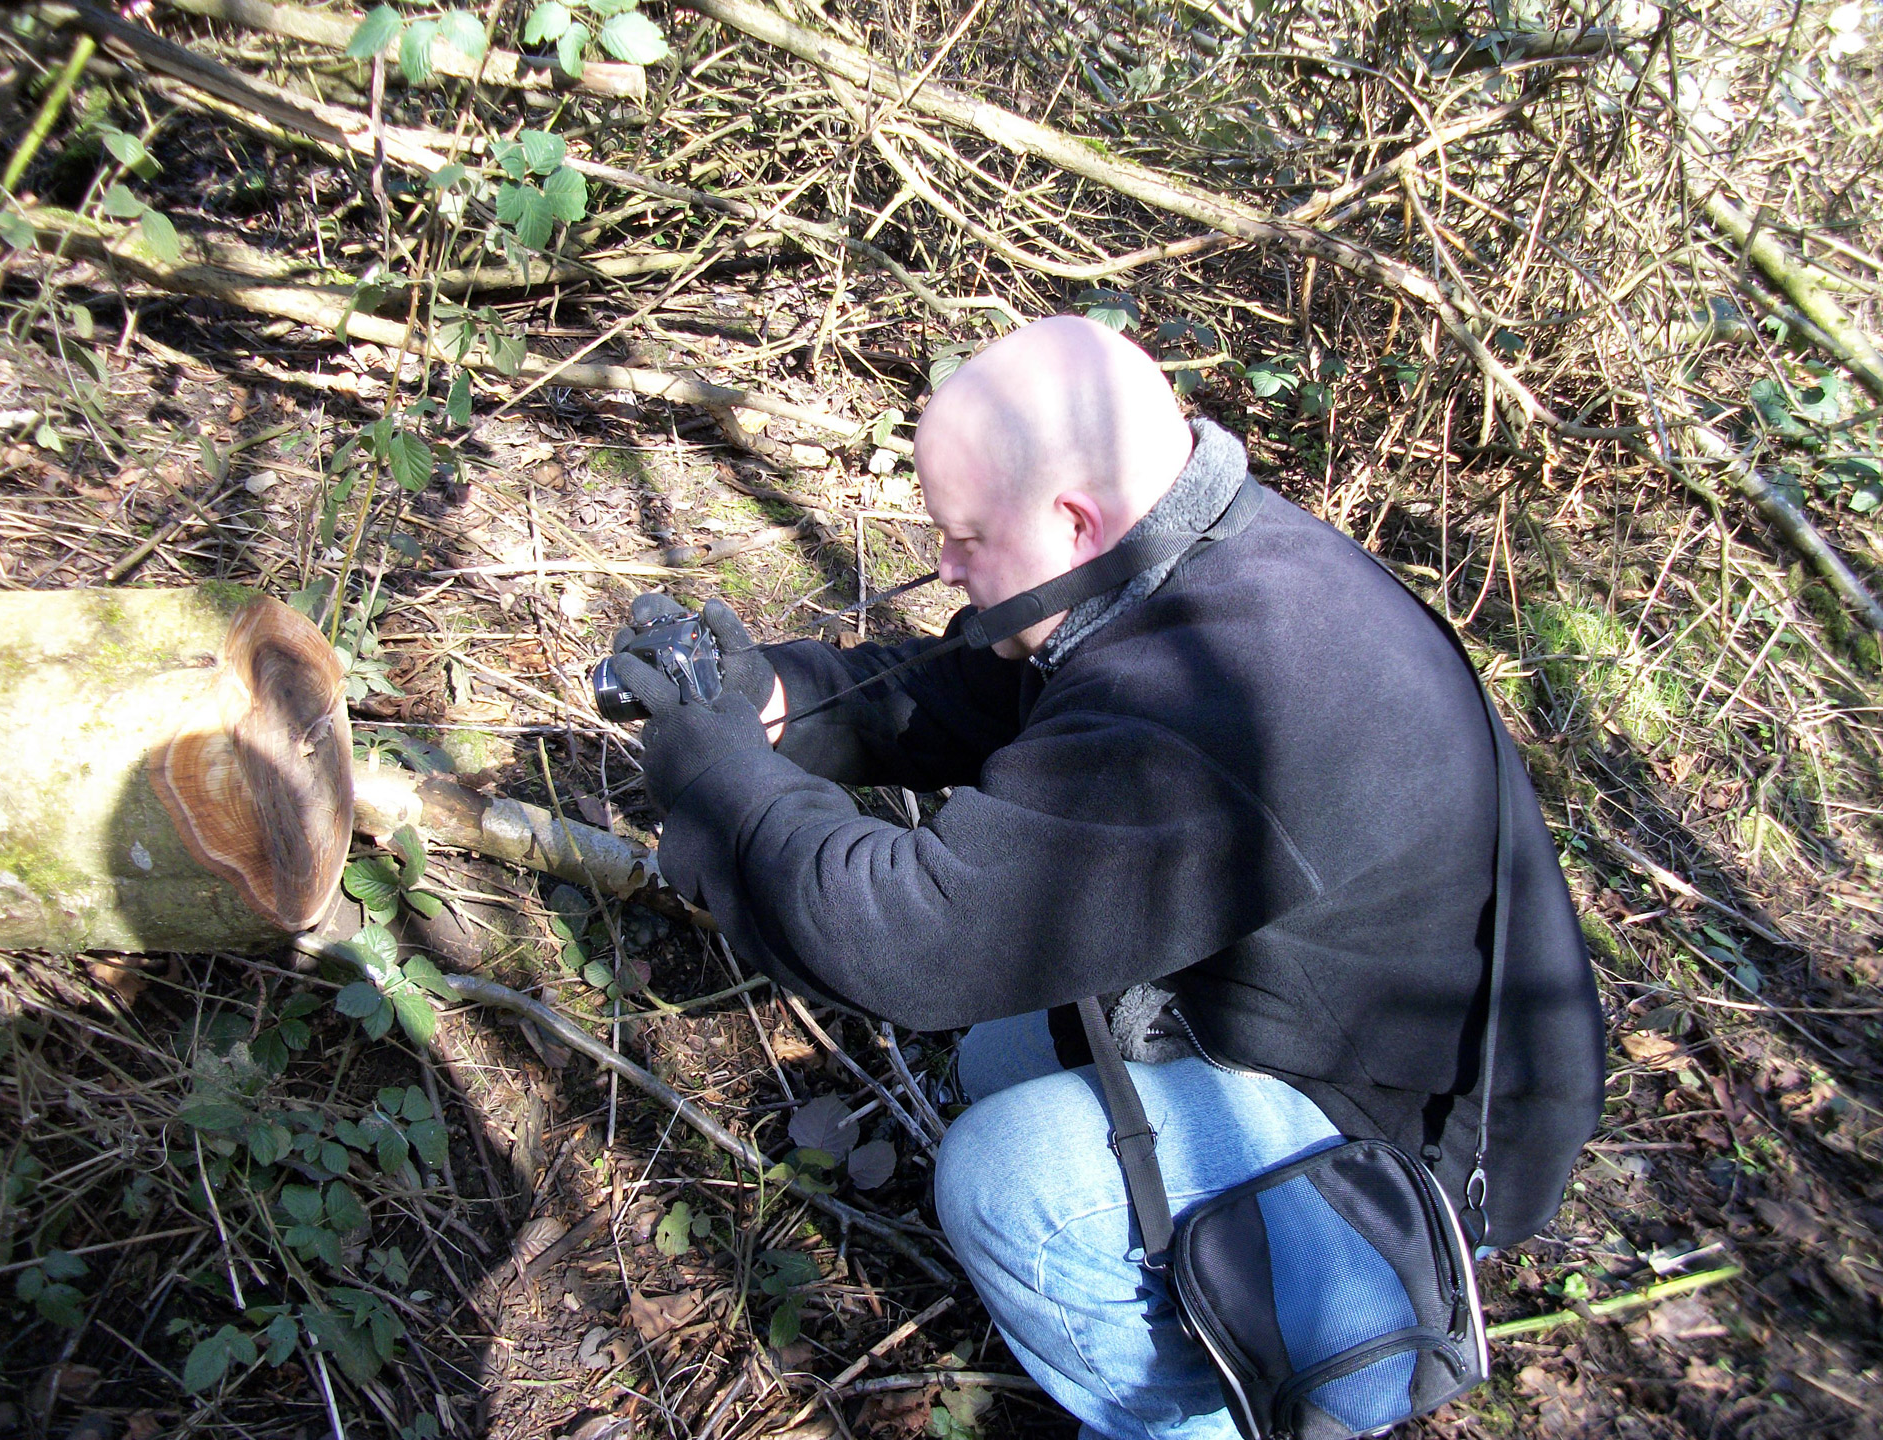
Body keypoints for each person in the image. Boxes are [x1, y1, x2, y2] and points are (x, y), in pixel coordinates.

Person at [608, 316, 1604, 1440]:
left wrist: (718, 782)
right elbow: (983, 699)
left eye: (965, 538)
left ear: (1073, 521)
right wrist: (776, 699)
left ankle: (1220, 1413)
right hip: (1315, 1032)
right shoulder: (1190, 559)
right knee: (1002, 1057)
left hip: (1408, 1165)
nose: (945, 567)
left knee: (1011, 1177)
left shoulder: (1242, 688)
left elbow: (911, 940)